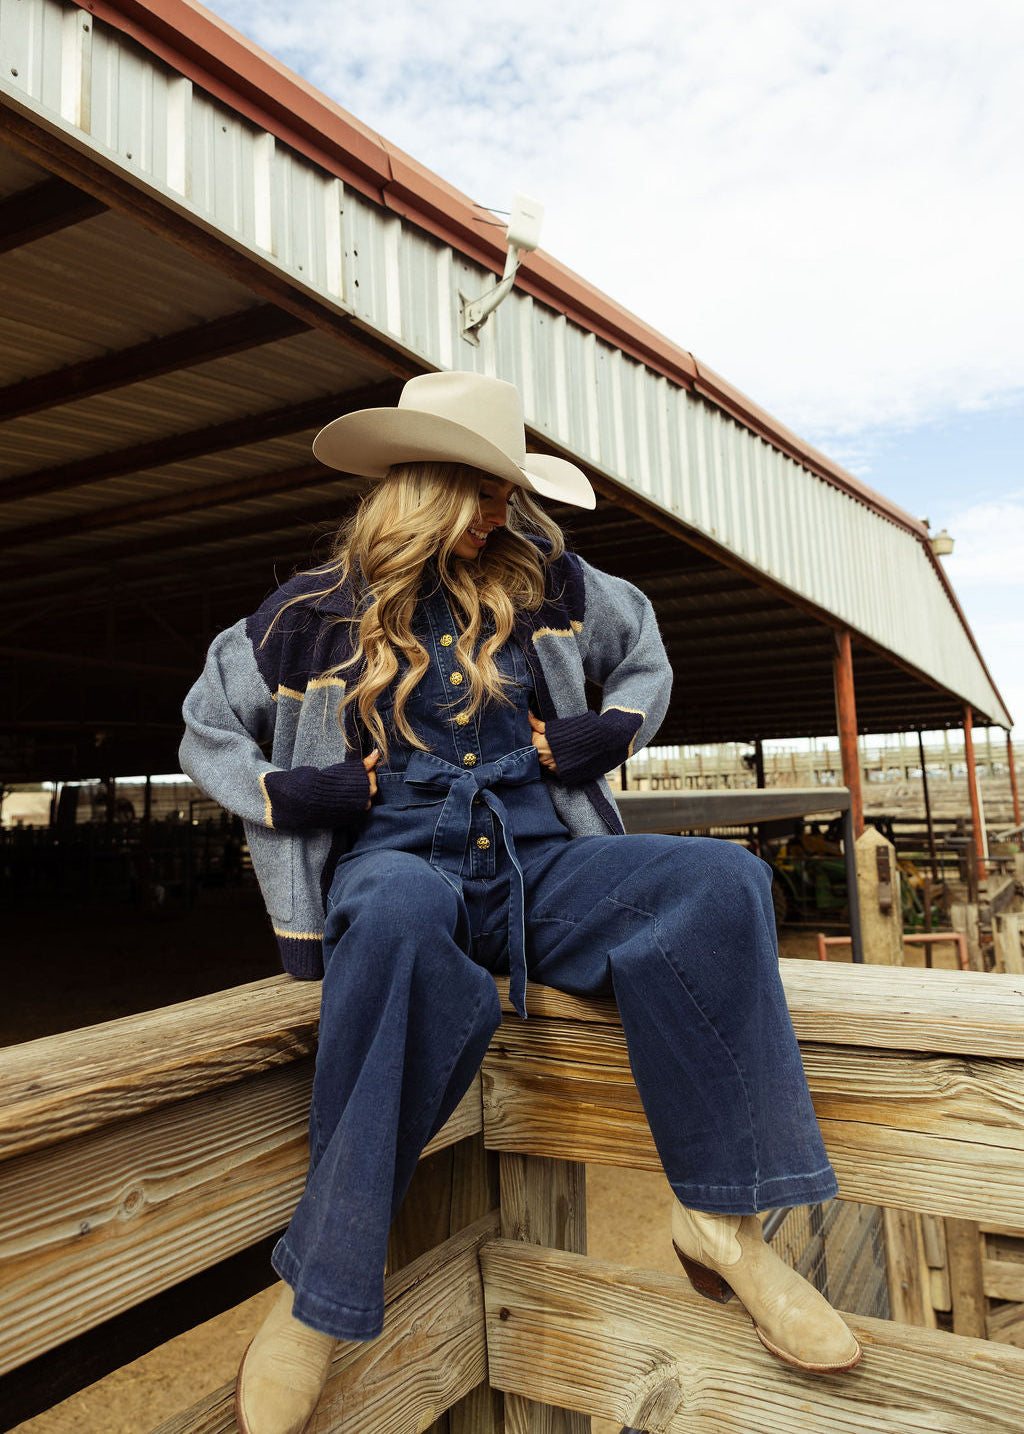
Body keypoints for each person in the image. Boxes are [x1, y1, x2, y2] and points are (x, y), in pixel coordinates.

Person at [180, 371, 860, 1434]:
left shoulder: (552, 583)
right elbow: (203, 730)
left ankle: (722, 1227)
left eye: (507, 492)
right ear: (428, 488)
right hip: (397, 861)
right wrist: (288, 790)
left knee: (720, 880)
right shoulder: (305, 617)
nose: (505, 511)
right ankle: (318, 1294)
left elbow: (643, 655)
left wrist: (611, 732)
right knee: (398, 919)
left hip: (545, 864)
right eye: (487, 491)